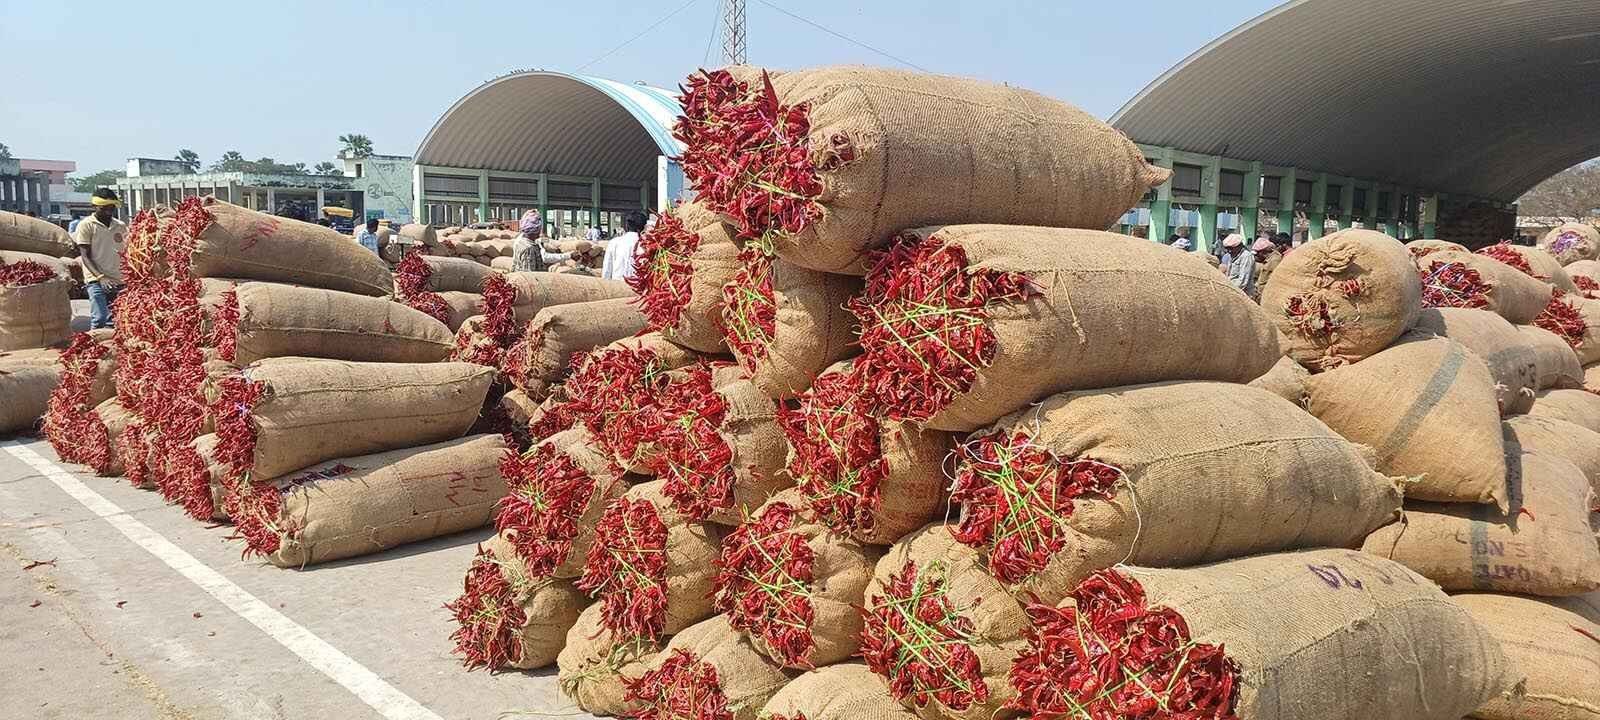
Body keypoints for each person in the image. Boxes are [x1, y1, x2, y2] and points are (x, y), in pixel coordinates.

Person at [75, 188, 128, 329]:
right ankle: (93, 341)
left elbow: (126, 252)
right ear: (94, 206)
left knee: (117, 320)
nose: (108, 211)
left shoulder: (120, 226)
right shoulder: (86, 225)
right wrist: (100, 277)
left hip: (119, 279)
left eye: (111, 207)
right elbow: (85, 255)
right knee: (99, 318)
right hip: (96, 279)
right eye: (104, 208)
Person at [601, 211, 647, 281]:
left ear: (627, 226)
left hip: (617, 284)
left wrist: (605, 285)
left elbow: (607, 268)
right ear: (644, 227)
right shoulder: (647, 245)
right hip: (639, 285)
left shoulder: (614, 242)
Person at [1250, 237, 1281, 301]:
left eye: (1257, 253)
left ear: (1263, 252)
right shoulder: (1267, 260)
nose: (1256, 256)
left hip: (1267, 295)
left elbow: (1273, 281)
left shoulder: (1274, 261)